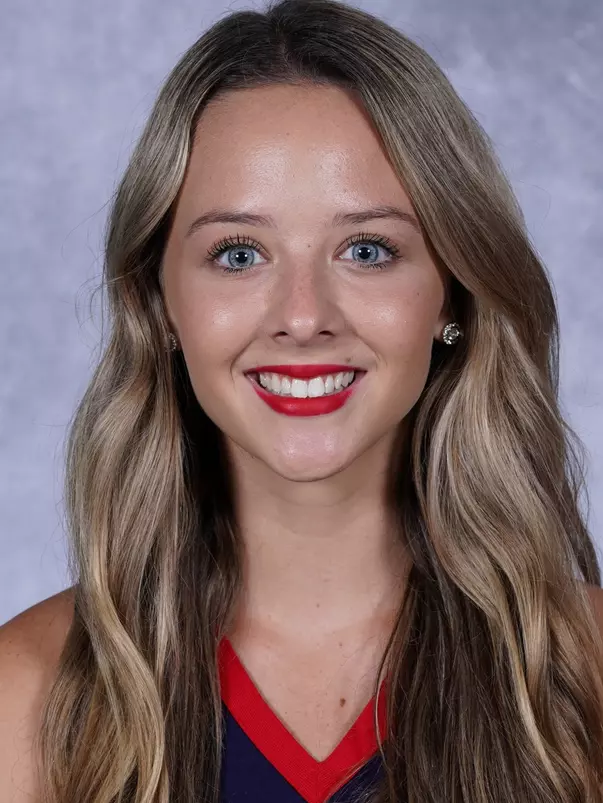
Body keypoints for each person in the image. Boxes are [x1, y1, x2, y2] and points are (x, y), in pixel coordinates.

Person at [1, 0, 603, 800]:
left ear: (453, 296)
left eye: (366, 249)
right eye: (239, 252)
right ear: (159, 304)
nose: (302, 316)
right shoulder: (30, 695)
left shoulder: (584, 670)